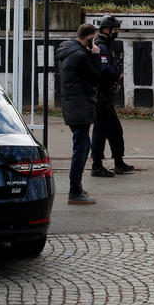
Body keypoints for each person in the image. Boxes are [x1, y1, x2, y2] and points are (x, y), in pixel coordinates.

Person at [56, 23, 101, 204]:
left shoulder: (69, 51)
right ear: (89, 38)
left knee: (83, 145)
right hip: (79, 106)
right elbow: (96, 76)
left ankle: (77, 187)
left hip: (72, 105)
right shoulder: (80, 56)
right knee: (81, 149)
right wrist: (96, 56)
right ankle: (74, 191)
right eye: (94, 39)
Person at [91, 15, 135, 177]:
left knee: (114, 130)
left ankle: (118, 162)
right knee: (100, 131)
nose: (116, 33)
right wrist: (118, 75)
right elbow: (104, 70)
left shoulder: (105, 46)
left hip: (105, 96)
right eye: (115, 30)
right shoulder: (102, 47)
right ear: (106, 30)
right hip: (101, 97)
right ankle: (97, 165)